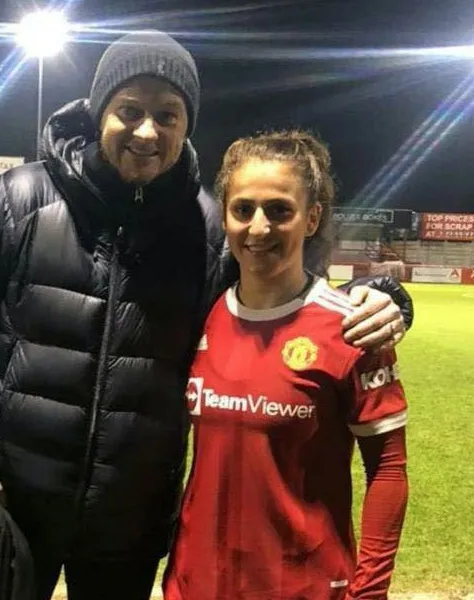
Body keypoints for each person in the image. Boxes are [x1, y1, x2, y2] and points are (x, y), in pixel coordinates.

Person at [0, 31, 411, 600]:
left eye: (168, 115)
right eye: (130, 111)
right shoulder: (18, 202)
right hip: (11, 502)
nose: (147, 132)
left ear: (186, 125)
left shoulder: (208, 231)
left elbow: (289, 282)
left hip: (130, 523)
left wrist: (384, 294)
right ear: (100, 113)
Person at [163, 130, 408, 600]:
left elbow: (390, 469)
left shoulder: (354, 329)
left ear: (311, 218)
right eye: (243, 209)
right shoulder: (204, 314)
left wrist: (370, 589)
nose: (258, 228)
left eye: (279, 210)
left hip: (303, 586)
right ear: (226, 217)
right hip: (196, 582)